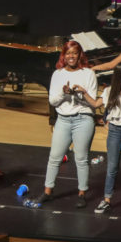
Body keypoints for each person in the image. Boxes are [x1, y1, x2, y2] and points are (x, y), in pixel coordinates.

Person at [74, 62, 121, 216]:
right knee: (112, 168)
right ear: (120, 74)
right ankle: (106, 200)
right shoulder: (109, 92)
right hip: (115, 131)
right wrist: (83, 91)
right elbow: (94, 103)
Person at [38, 41, 97, 207]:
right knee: (54, 157)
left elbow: (92, 102)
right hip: (63, 120)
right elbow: (53, 101)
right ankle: (47, 191)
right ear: (64, 55)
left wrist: (79, 94)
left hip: (83, 119)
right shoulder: (58, 74)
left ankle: (82, 193)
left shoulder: (88, 74)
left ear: (80, 55)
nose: (71, 56)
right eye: (68, 53)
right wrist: (65, 94)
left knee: (81, 158)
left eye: (74, 53)